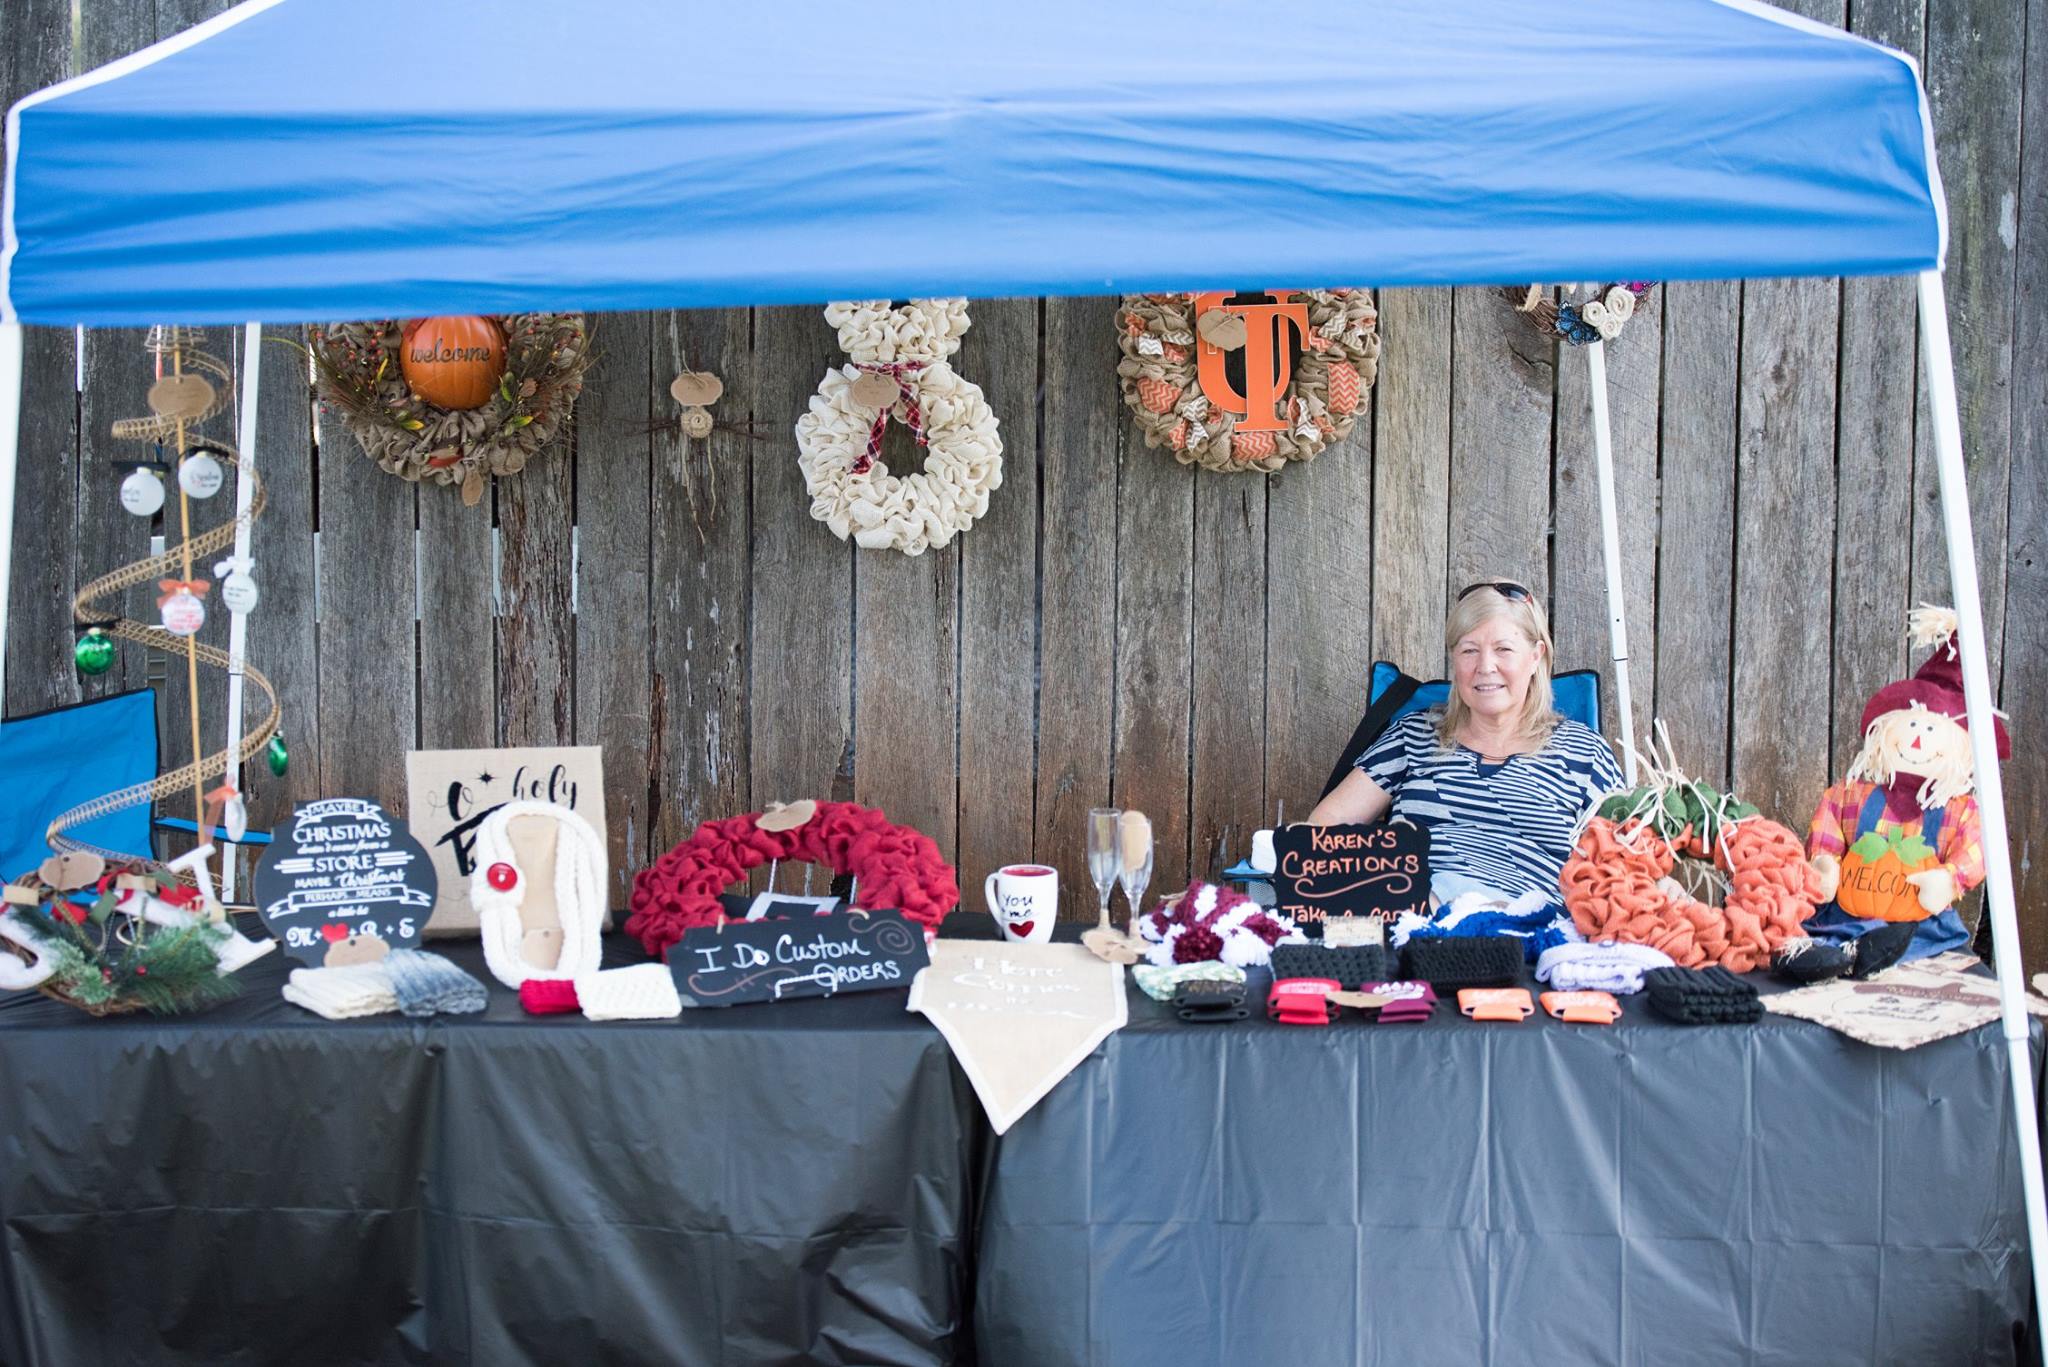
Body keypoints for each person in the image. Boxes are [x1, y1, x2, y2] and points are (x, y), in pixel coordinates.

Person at [1307, 580, 1623, 953]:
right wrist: (1392, 872)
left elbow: (1628, 865)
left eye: (1503, 649)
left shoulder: (1584, 753)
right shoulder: (1415, 735)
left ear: (1536, 656)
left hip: (1528, 930)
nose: (1485, 667)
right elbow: (1322, 828)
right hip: (1409, 915)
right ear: (1454, 660)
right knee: (1319, 932)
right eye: (1469, 650)